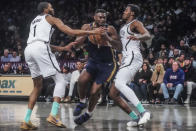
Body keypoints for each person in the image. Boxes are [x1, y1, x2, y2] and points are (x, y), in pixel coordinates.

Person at [20, 2, 104, 130]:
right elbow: (69, 31)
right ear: (45, 10)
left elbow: (40, 43)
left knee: (37, 86)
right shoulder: (51, 18)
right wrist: (92, 31)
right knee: (61, 80)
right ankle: (53, 115)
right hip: (40, 48)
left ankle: (26, 121)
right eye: (50, 7)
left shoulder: (34, 21)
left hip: (29, 49)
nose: (53, 8)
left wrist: (63, 48)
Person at [66, 9, 122, 125]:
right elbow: (77, 43)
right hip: (93, 61)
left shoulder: (110, 29)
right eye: (100, 17)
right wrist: (88, 33)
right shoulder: (87, 27)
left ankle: (88, 113)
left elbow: (119, 47)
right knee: (81, 80)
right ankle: (82, 102)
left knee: (94, 91)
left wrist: (107, 38)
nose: (102, 19)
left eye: (104, 18)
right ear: (94, 17)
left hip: (107, 64)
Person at [109, 4, 151, 127]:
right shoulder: (124, 27)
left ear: (132, 13)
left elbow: (147, 35)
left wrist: (137, 36)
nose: (124, 11)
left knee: (119, 83)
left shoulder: (135, 23)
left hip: (133, 56)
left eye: (126, 10)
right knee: (113, 94)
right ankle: (136, 118)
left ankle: (144, 112)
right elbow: (121, 46)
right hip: (127, 58)